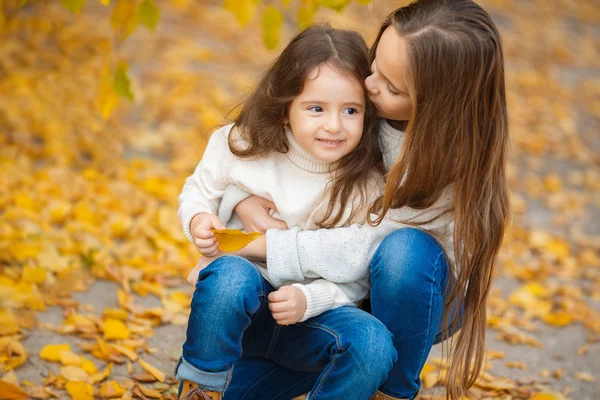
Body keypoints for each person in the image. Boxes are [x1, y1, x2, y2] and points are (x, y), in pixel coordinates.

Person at [219, 1, 510, 399]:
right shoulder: (363, 98)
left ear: (436, 106)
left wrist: (271, 245)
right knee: (236, 389)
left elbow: (367, 246)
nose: (369, 84)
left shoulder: (452, 161)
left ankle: (392, 389)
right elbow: (278, 145)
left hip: (409, 292)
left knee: (404, 252)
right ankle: (339, 361)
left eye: (391, 87)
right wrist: (241, 198)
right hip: (326, 287)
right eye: (375, 65)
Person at [175, 24, 399, 400]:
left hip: (312, 322)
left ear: (367, 114)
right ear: (284, 110)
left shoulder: (366, 184)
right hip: (242, 315)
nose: (333, 125)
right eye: (316, 108)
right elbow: (198, 190)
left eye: (350, 110)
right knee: (231, 277)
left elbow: (358, 273)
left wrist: (309, 300)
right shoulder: (242, 144)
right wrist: (199, 219)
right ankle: (203, 385)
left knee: (374, 344)